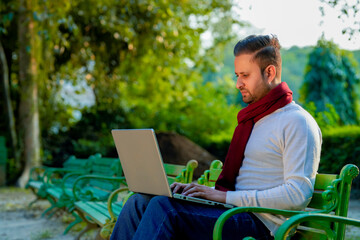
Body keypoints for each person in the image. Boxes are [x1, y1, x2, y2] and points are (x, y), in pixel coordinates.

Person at [110, 34, 322, 240]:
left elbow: (298, 195)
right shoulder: (254, 121)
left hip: (261, 225)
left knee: (164, 209)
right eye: (237, 75)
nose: (238, 83)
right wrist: (203, 191)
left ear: (269, 72)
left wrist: (223, 196)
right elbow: (246, 184)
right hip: (232, 210)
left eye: (245, 75)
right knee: (140, 201)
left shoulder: (297, 122)